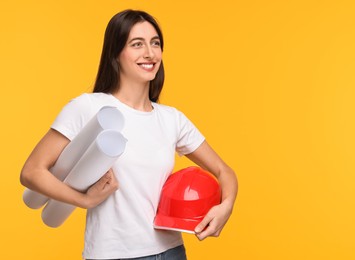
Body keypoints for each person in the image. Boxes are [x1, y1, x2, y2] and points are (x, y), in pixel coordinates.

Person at [20, 9, 238, 260]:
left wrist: (226, 207)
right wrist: (84, 200)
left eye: (155, 43)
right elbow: (32, 172)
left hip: (171, 252)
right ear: (115, 54)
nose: (149, 53)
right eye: (137, 44)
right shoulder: (89, 108)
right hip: (112, 255)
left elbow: (224, 172)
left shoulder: (171, 119)